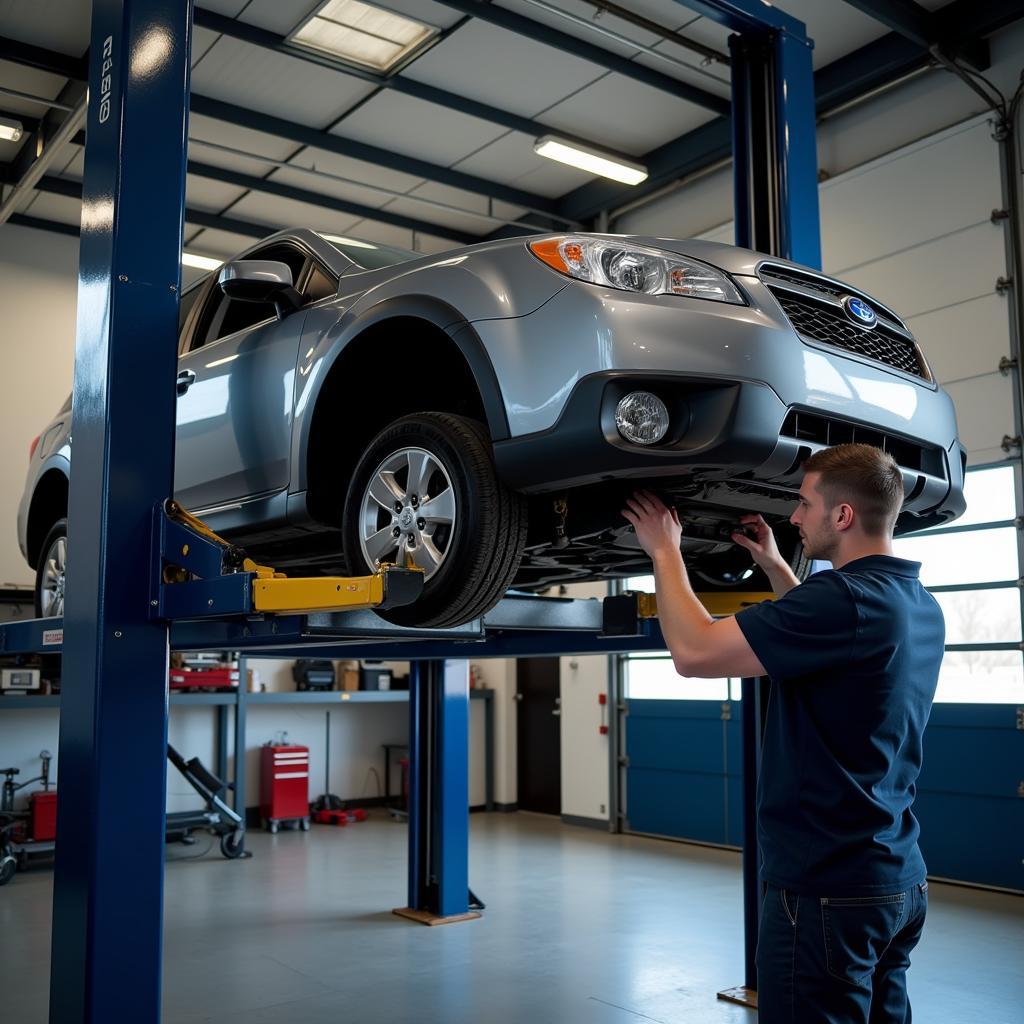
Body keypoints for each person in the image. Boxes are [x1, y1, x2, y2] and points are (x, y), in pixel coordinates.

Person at [622, 443, 943, 1024]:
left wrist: (664, 550)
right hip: (896, 881)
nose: (793, 517)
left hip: (827, 889)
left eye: (803, 503)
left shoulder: (842, 600)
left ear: (841, 517)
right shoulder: (917, 603)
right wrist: (775, 566)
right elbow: (829, 639)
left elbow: (694, 652)